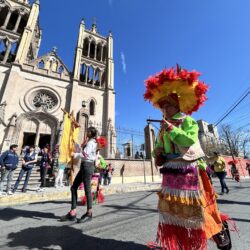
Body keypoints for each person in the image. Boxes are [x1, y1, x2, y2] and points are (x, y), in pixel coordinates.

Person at [144, 66, 228, 249]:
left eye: (168, 105)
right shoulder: (163, 126)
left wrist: (172, 129)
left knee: (198, 208)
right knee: (175, 211)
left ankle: (218, 231)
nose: (164, 109)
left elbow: (189, 140)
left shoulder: (187, 121)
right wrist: (157, 154)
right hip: (170, 172)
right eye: (163, 105)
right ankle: (181, 243)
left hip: (189, 170)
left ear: (177, 106)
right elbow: (158, 147)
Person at [60, 127, 97, 223]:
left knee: (87, 189)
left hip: (87, 166)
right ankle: (73, 212)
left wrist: (74, 154)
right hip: (84, 166)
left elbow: (85, 155)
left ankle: (89, 213)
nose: (86, 132)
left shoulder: (91, 143)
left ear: (91, 133)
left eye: (88, 131)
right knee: (73, 187)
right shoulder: (89, 142)